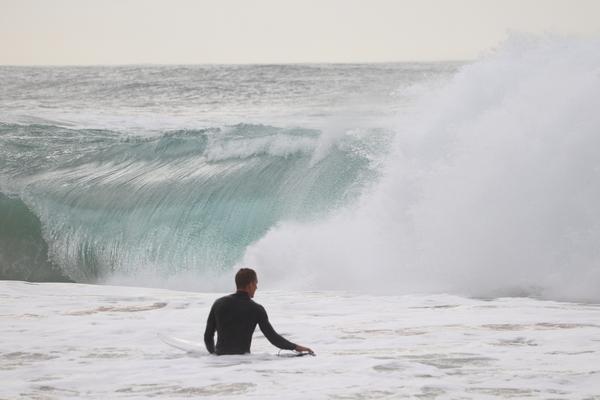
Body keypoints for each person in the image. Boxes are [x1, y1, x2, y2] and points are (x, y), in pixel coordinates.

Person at [204, 268, 314, 356]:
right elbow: (273, 338)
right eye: (256, 283)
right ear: (250, 284)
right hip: (241, 363)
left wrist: (214, 356)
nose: (256, 287)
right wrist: (297, 347)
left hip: (219, 364)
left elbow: (208, 336)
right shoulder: (256, 309)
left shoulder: (219, 303)